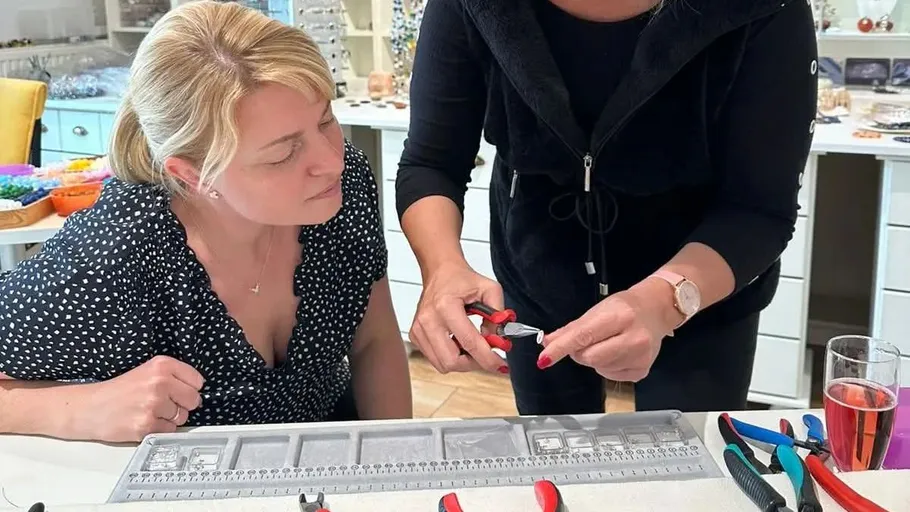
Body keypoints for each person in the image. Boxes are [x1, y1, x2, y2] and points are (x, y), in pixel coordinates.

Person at [0, 0, 412, 443]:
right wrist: (75, 411)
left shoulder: (342, 183)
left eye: (326, 120)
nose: (330, 161)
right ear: (191, 175)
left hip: (326, 456)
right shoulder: (116, 251)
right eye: (282, 153)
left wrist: (396, 472)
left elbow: (374, 340)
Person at [396, 0, 817, 414]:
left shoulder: (763, 9)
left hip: (701, 297)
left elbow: (758, 208)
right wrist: (442, 269)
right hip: (537, 280)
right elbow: (432, 162)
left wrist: (665, 301)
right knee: (558, 461)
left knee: (686, 471)